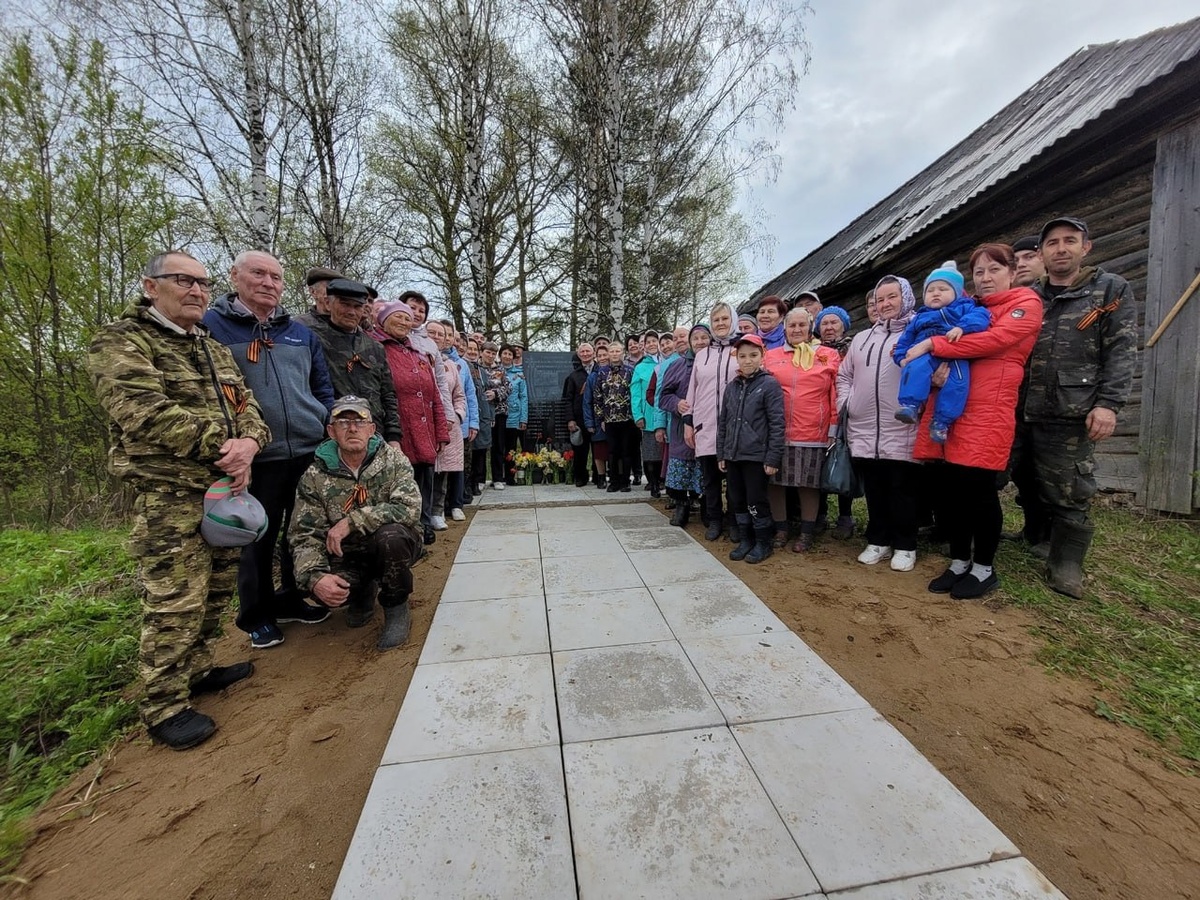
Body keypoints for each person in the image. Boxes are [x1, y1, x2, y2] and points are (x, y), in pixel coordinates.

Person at [87, 250, 272, 750]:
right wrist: (225, 448)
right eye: (183, 281)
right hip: (170, 496)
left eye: (203, 284)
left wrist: (251, 442)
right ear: (151, 286)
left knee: (215, 590)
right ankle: (164, 705)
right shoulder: (123, 342)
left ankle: (198, 670)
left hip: (225, 492)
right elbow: (144, 412)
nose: (196, 291)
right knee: (175, 601)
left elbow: (247, 405)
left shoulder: (210, 348)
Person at [204, 250, 335, 651]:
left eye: (275, 277)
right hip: (255, 455)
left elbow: (322, 385)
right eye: (258, 274)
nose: (268, 283)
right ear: (235, 276)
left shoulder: (298, 332)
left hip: (307, 447)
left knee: (300, 532)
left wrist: (325, 419)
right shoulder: (212, 328)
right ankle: (257, 615)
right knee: (255, 536)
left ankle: (292, 597)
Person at [903, 243, 1043, 599]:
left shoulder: (1025, 304)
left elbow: (991, 341)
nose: (986, 278)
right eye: (979, 272)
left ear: (1011, 272)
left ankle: (984, 568)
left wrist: (933, 346)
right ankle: (958, 560)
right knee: (952, 491)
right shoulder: (972, 307)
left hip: (989, 410)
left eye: (994, 270)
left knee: (979, 491)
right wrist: (931, 362)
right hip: (955, 408)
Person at [1025, 216, 1137, 597]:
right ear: (1041, 252)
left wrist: (1108, 404)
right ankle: (1036, 537)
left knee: (1069, 486)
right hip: (1021, 405)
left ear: (1085, 247)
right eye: (1052, 242)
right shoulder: (1029, 295)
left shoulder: (1108, 290)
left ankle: (1066, 563)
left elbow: (1122, 351)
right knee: (1023, 477)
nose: (1060, 248)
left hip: (1072, 407)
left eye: (1069, 241)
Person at [290, 396, 425, 650]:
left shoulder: (393, 461)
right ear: (331, 431)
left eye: (360, 422)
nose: (352, 428)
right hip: (347, 556)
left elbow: (409, 509)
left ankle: (395, 605)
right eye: (343, 422)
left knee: (391, 538)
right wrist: (315, 578)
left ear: (372, 429)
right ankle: (361, 592)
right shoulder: (314, 476)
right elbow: (303, 534)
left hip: (389, 546)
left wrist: (352, 521)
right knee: (324, 590)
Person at [837, 275, 920, 572]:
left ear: (906, 297)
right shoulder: (862, 339)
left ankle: (906, 545)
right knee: (875, 488)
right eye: (880, 299)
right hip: (864, 427)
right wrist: (847, 403)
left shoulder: (917, 331)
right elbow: (844, 375)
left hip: (901, 426)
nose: (885, 304)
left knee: (902, 489)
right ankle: (878, 540)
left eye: (891, 297)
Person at [763, 308, 841, 552]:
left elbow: (836, 393)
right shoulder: (771, 356)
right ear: (784, 328)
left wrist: (833, 428)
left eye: (801, 325)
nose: (796, 330)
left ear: (810, 328)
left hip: (812, 431)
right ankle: (781, 528)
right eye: (791, 325)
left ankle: (807, 532)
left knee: (808, 483)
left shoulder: (828, 355)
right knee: (775, 482)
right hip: (776, 431)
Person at [893, 262, 992, 444]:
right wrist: (901, 359)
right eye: (931, 290)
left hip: (954, 355)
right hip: (923, 355)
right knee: (915, 370)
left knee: (958, 385)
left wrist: (962, 328)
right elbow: (905, 340)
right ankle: (910, 406)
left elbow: (981, 318)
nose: (936, 293)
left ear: (956, 293)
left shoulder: (964, 308)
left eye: (943, 289)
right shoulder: (920, 317)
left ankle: (941, 423)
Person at [376, 302, 449, 544]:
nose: (404, 322)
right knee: (402, 484)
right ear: (383, 320)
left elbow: (435, 395)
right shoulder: (378, 350)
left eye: (408, 319)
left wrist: (441, 432)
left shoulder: (419, 355)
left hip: (425, 431)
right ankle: (406, 534)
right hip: (398, 430)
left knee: (424, 482)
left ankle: (423, 525)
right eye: (398, 317)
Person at [304, 278, 404, 446]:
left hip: (374, 435)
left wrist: (394, 436)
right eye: (345, 304)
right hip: (331, 437)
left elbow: (388, 395)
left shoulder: (375, 347)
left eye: (357, 306)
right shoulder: (312, 340)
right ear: (328, 303)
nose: (351, 312)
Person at [717, 333, 784, 564]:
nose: (748, 360)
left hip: (756, 456)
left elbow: (777, 423)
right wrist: (722, 452)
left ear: (762, 355)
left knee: (756, 500)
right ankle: (745, 539)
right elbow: (723, 421)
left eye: (753, 355)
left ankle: (762, 542)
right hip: (733, 454)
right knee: (737, 498)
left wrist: (773, 457)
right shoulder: (732, 387)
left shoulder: (769, 384)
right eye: (743, 356)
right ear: (737, 357)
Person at [684, 301, 739, 541]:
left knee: (736, 480)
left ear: (732, 321)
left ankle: (736, 522)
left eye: (724, 319)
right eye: (716, 320)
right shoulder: (702, 355)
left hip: (735, 427)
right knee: (710, 480)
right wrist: (688, 422)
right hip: (706, 425)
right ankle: (715, 520)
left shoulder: (742, 349)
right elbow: (692, 391)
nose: (720, 324)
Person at [658, 325, 709, 525]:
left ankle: (708, 507)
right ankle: (681, 505)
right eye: (695, 338)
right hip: (681, 429)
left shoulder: (717, 363)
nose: (700, 342)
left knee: (706, 471)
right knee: (680, 470)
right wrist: (676, 404)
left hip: (708, 428)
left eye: (704, 337)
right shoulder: (677, 366)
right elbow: (663, 396)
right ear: (690, 341)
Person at [815, 305, 856, 540]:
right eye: (824, 323)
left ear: (843, 325)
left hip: (846, 413)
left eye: (834, 323)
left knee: (843, 463)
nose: (829, 327)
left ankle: (845, 517)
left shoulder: (853, 349)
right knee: (819, 463)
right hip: (819, 414)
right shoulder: (812, 351)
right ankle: (820, 514)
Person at [432, 320, 476, 520]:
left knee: (455, 465)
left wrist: (462, 417)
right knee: (435, 467)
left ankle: (455, 503)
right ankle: (435, 510)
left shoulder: (459, 365)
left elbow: (467, 394)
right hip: (429, 423)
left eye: (450, 336)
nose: (448, 339)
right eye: (445, 334)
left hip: (455, 424)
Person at [593, 341, 638, 492]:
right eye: (611, 351)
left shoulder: (630, 371)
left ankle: (625, 481)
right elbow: (598, 396)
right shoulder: (602, 372)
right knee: (612, 451)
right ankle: (613, 481)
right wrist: (601, 418)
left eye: (617, 351)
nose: (614, 354)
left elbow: (635, 394)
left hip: (627, 418)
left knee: (626, 451)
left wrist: (635, 416)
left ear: (622, 353)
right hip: (609, 419)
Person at [630, 330, 664, 497]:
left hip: (668, 414)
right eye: (648, 341)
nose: (652, 344)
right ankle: (654, 483)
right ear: (644, 345)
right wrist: (638, 415)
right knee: (651, 451)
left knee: (665, 451)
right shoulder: (641, 367)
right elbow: (635, 393)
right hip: (649, 415)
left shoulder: (669, 361)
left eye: (654, 341)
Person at [477, 342, 512, 488]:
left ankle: (498, 478)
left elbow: (508, 388)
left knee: (498, 446)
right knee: (481, 447)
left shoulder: (500, 370)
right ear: (482, 352)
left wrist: (496, 393)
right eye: (488, 352)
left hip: (499, 412)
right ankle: (479, 479)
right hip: (482, 413)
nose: (490, 356)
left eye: (493, 353)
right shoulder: (476, 368)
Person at [563, 342, 596, 487]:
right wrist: (570, 419)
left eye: (588, 351)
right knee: (580, 450)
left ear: (593, 353)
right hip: (580, 418)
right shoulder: (573, 376)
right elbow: (567, 399)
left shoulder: (601, 371)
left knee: (598, 449)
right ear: (578, 354)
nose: (585, 354)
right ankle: (581, 477)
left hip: (598, 417)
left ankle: (598, 476)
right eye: (582, 352)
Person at [583, 341, 610, 488]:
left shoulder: (619, 372)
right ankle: (600, 477)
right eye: (600, 356)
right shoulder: (592, 377)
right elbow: (587, 402)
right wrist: (589, 422)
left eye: (605, 354)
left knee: (615, 450)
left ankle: (615, 476)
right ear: (596, 357)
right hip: (597, 419)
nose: (603, 358)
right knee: (599, 451)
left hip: (615, 420)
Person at [501, 344, 529, 473]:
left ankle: (511, 475)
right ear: (500, 355)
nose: (507, 356)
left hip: (514, 416)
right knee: (499, 447)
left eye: (509, 354)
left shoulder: (519, 375)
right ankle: (499, 476)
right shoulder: (494, 371)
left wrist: (523, 418)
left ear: (513, 357)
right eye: (504, 353)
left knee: (511, 448)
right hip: (498, 416)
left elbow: (523, 397)